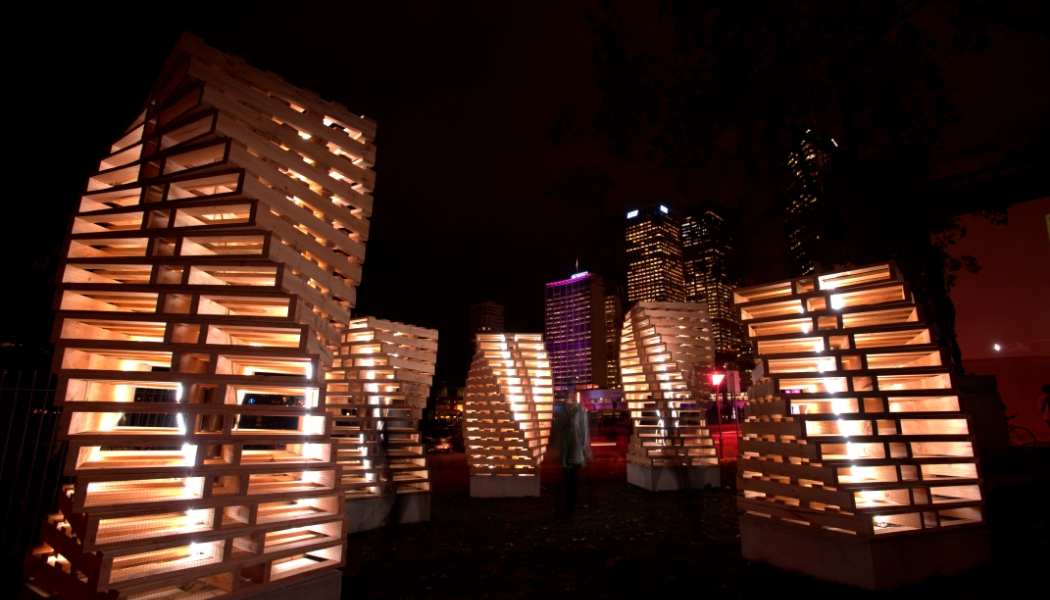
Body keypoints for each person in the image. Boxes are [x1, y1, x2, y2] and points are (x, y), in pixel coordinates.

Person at [561, 395, 593, 519]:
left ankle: (570, 510)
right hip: (565, 452)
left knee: (572, 483)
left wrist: (585, 450)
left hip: (575, 452)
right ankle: (566, 509)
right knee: (566, 483)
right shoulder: (563, 411)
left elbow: (584, 432)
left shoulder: (580, 411)